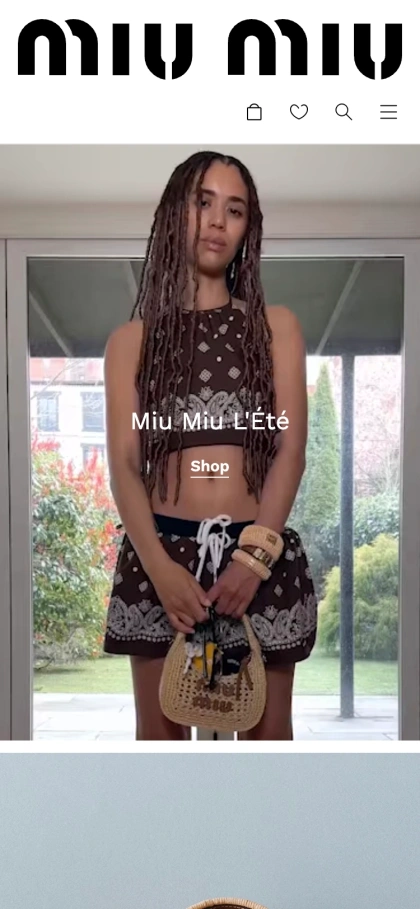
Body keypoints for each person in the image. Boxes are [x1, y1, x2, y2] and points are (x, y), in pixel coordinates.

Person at [103, 150, 317, 741]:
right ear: (176, 212)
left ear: (248, 228)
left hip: (259, 558)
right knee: (161, 755)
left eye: (235, 209)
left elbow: (291, 449)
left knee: (268, 754)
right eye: (203, 202)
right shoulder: (130, 342)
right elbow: (124, 464)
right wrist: (159, 569)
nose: (218, 221)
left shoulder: (277, 327)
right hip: (160, 558)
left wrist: (253, 559)